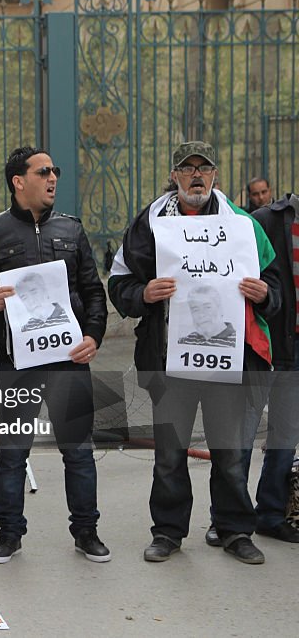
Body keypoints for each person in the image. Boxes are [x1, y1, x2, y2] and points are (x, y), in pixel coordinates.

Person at [108, 140, 281, 565]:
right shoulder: (149, 224)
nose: (196, 176)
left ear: (215, 175)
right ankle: (167, 532)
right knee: (169, 454)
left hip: (229, 359)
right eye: (188, 169)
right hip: (169, 361)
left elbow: (275, 284)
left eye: (204, 168)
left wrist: (264, 295)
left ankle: (235, 531)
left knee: (231, 453)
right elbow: (119, 282)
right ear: (174, 177)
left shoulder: (242, 225)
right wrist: (144, 293)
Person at [0, 146, 110, 565]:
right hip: (17, 362)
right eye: (44, 171)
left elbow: (92, 291)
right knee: (13, 451)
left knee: (78, 450)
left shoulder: (72, 229)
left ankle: (87, 532)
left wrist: (94, 335)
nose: (53, 178)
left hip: (69, 360)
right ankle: (9, 534)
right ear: (19, 181)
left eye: (56, 170)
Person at [248, 195, 299, 542]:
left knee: (287, 433)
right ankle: (228, 520)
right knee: (243, 434)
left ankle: (269, 512)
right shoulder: (267, 220)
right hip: (275, 345)